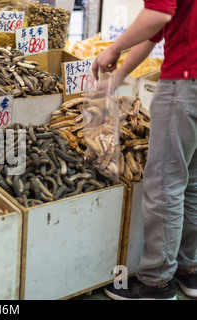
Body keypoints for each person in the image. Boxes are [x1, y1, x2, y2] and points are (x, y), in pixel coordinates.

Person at [92, 0, 197, 300]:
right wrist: (119, 77)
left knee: (165, 183)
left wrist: (113, 49)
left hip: (184, 80)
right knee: (193, 178)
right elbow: (158, 30)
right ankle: (189, 269)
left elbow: (157, 14)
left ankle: (156, 282)